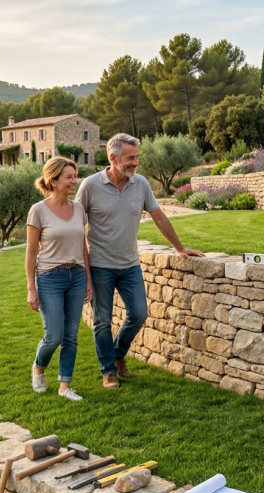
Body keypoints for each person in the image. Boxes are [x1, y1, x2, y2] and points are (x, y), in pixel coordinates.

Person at [76, 133, 204, 388]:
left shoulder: (141, 184)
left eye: (137, 157)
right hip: (100, 265)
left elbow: (158, 216)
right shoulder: (90, 186)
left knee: (139, 314)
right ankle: (108, 370)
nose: (135, 163)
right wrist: (84, 270)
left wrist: (180, 248)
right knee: (102, 320)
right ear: (113, 158)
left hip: (130, 264)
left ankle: (117, 355)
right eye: (130, 158)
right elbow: (76, 228)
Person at [25, 156, 93, 401]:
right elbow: (31, 252)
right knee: (54, 335)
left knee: (71, 335)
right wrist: (31, 288)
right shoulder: (38, 211)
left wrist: (87, 280)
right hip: (49, 278)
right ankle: (38, 367)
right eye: (69, 177)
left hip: (75, 276)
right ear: (53, 181)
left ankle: (65, 387)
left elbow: (83, 246)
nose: (75, 181)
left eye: (75, 176)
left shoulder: (79, 209)